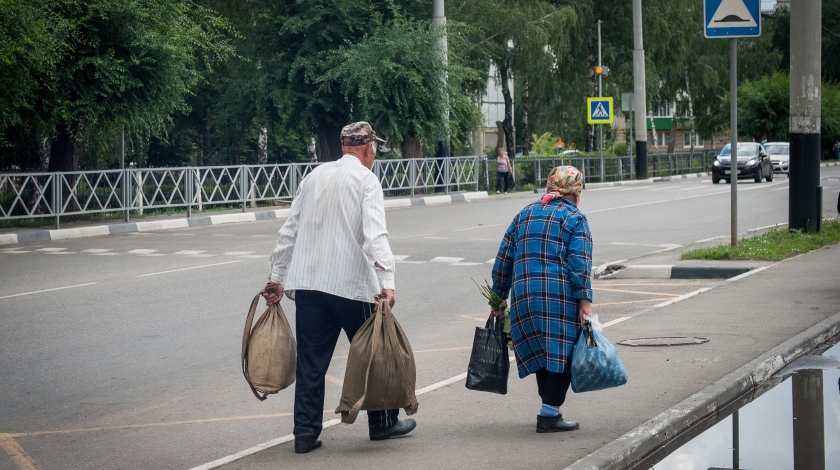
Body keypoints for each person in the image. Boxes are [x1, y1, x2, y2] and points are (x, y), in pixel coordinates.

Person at [262, 121, 416, 454]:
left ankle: (304, 433)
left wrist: (277, 277)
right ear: (369, 147)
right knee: (374, 353)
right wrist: (387, 282)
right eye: (375, 148)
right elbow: (375, 236)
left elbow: (289, 231)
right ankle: (383, 424)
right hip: (351, 286)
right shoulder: (366, 180)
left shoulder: (313, 177)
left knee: (311, 362)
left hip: (309, 286)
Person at [489, 166, 593, 433]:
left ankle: (549, 407)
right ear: (576, 194)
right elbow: (579, 264)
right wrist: (585, 302)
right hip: (559, 299)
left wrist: (498, 298)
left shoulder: (523, 214)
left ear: (549, 188)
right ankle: (549, 414)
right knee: (566, 352)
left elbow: (503, 260)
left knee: (541, 350)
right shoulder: (575, 219)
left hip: (524, 299)